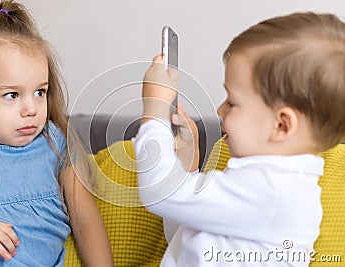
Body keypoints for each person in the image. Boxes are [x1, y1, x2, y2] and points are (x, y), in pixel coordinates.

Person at [133, 12, 345, 266]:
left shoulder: (273, 191)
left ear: (281, 125)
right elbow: (185, 241)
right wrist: (187, 165)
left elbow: (160, 192)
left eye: (232, 102)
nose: (220, 111)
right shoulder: (264, 181)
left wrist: (155, 109)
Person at [0, 1, 113, 266]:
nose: (31, 109)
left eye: (40, 92)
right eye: (11, 95)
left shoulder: (53, 142)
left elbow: (86, 221)